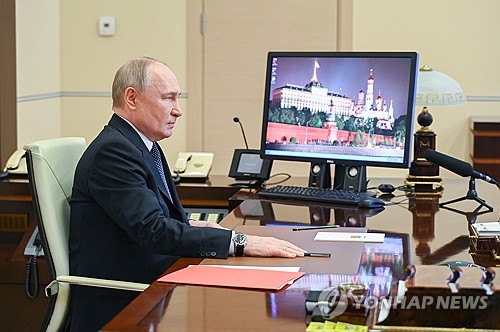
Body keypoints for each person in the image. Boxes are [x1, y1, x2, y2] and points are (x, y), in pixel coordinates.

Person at [68, 56, 305, 331]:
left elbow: (156, 219)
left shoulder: (142, 146)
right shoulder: (115, 152)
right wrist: (238, 241)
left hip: (153, 281)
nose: (178, 110)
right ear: (131, 98)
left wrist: (192, 225)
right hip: (123, 302)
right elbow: (153, 230)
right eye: (168, 98)